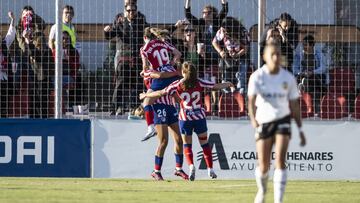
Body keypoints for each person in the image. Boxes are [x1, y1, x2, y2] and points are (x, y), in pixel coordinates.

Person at [140, 62, 234, 181]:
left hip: (185, 117)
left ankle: (190, 167)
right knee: (204, 144)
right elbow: (215, 86)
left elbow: (161, 92)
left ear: (183, 72)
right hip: (199, 116)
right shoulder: (199, 81)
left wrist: (145, 95)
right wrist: (228, 84)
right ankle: (210, 169)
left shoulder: (177, 83)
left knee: (186, 144)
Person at [247, 43, 306, 203]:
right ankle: (262, 190)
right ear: (264, 57)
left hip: (283, 120)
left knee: (280, 160)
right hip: (263, 122)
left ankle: (278, 200)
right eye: (272, 54)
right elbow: (251, 101)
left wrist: (300, 129)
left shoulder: (288, 78)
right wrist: (253, 120)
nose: (275, 57)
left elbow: (294, 104)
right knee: (264, 165)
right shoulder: (257, 77)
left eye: (278, 54)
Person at [139, 28, 188, 181]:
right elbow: (177, 55)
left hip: (168, 103)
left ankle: (178, 169)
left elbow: (147, 70)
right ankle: (156, 171)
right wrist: (172, 67)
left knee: (179, 139)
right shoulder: (163, 48)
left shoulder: (147, 53)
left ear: (145, 37)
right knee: (164, 141)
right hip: (159, 104)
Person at [104, 3, 149, 115]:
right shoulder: (119, 21)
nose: (130, 13)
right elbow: (110, 36)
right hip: (123, 57)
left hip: (136, 57)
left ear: (136, 10)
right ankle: (116, 107)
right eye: (128, 11)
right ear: (125, 10)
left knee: (138, 83)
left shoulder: (141, 20)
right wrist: (106, 31)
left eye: (133, 11)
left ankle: (136, 108)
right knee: (121, 82)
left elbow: (149, 31)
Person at [140, 27, 182, 141]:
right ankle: (187, 114)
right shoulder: (164, 43)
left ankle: (150, 128)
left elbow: (145, 67)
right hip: (172, 73)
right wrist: (170, 64)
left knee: (146, 102)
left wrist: (145, 72)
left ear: (145, 38)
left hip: (161, 76)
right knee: (176, 97)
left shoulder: (144, 49)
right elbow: (178, 54)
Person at [212, 16, 250, 94]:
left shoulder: (242, 32)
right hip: (227, 58)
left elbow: (246, 48)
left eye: (226, 32)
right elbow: (214, 42)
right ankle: (227, 97)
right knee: (225, 80)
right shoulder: (221, 31)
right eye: (223, 30)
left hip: (241, 57)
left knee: (240, 79)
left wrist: (237, 54)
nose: (224, 33)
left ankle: (240, 97)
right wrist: (220, 52)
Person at [293, 35, 328, 111]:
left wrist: (313, 72)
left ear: (312, 45)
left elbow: (323, 68)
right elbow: (295, 69)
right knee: (303, 79)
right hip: (303, 76)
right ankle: (304, 87)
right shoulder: (299, 55)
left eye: (306, 45)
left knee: (311, 78)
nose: (304, 47)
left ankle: (302, 88)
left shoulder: (319, 54)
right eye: (303, 45)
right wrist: (301, 72)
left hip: (315, 77)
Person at [23, 32, 54, 118]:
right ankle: (34, 121)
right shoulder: (32, 49)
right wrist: (27, 42)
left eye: (34, 38)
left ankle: (42, 121)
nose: (32, 40)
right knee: (33, 102)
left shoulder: (46, 51)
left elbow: (37, 56)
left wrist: (29, 42)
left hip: (43, 81)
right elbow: (30, 53)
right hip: (33, 80)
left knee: (42, 103)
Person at [0, 11, 16, 117]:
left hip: (3, 79)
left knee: (4, 103)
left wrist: (13, 20)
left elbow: (11, 34)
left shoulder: (4, 44)